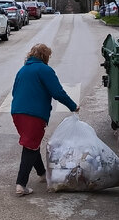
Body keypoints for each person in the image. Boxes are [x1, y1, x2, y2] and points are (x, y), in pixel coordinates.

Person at [10, 43, 79, 196]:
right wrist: (73, 106)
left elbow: (14, 91)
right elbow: (58, 92)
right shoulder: (45, 70)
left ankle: (42, 174)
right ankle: (21, 185)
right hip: (33, 114)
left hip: (17, 113)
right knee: (30, 146)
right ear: (44, 56)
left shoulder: (23, 70)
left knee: (31, 143)